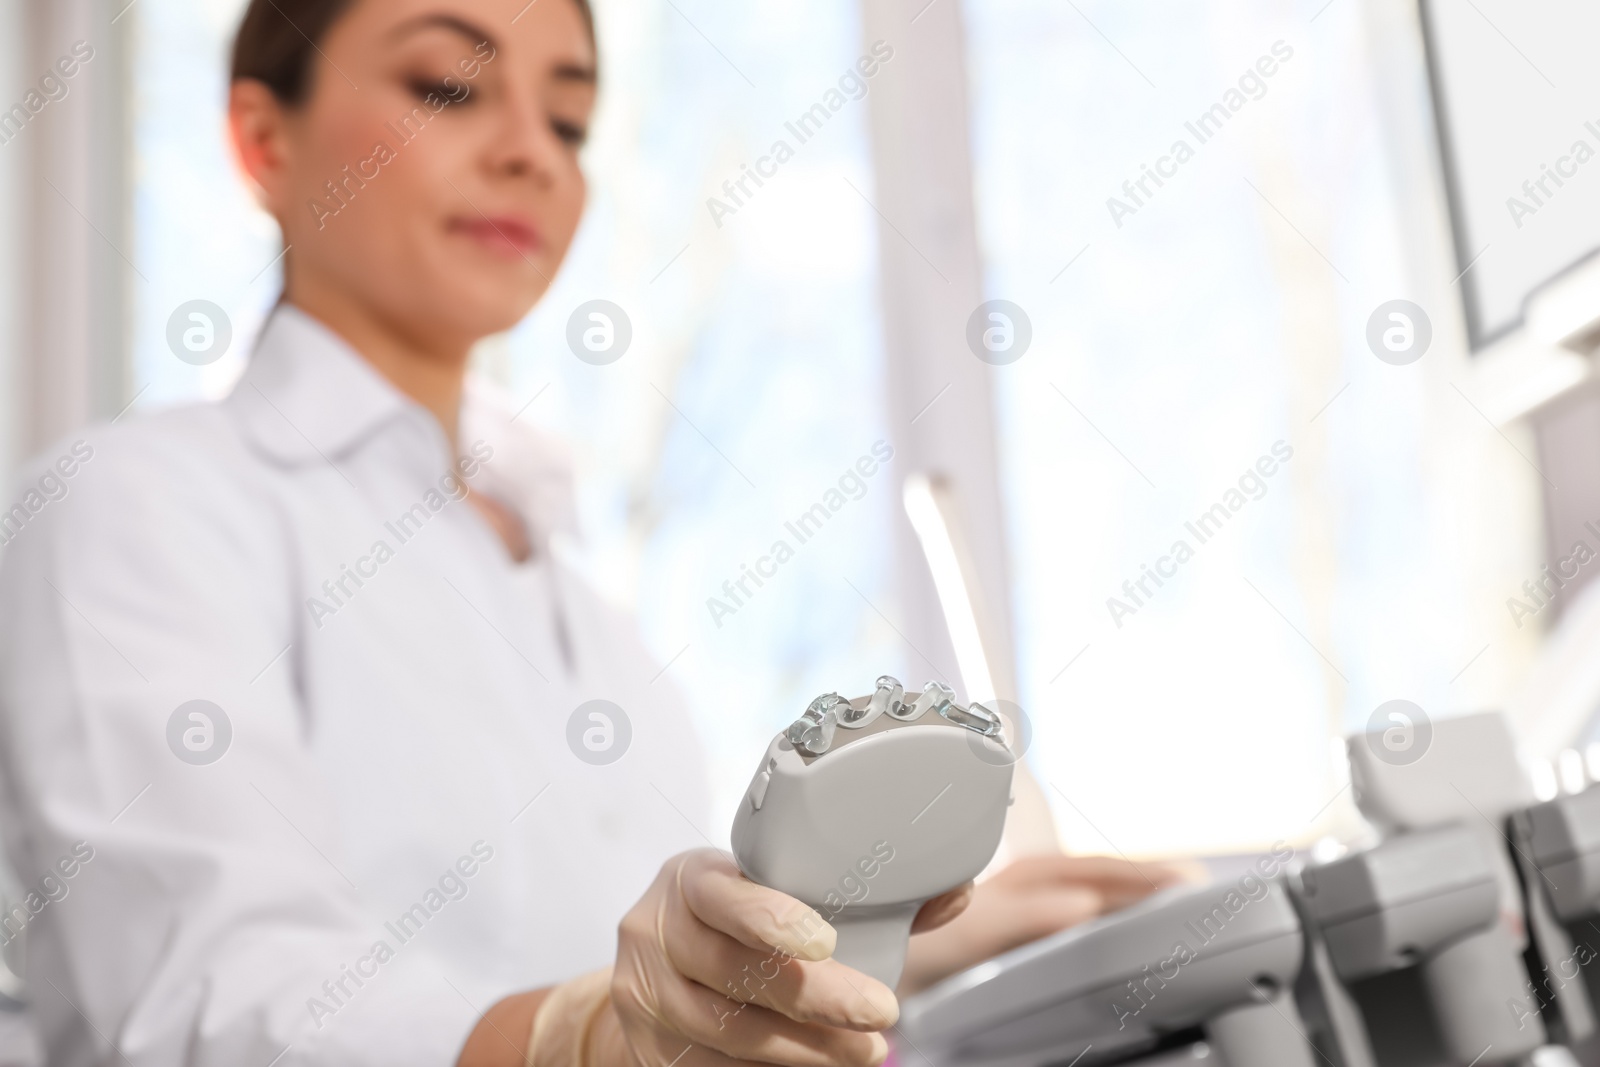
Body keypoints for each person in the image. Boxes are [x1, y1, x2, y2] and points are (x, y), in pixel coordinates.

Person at [0, 1, 1182, 1064]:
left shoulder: (580, 599)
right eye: (446, 87)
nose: (529, 151)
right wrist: (578, 1038)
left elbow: (627, 952)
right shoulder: (134, 503)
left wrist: (863, 956)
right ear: (263, 142)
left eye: (568, 121)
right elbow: (194, 994)